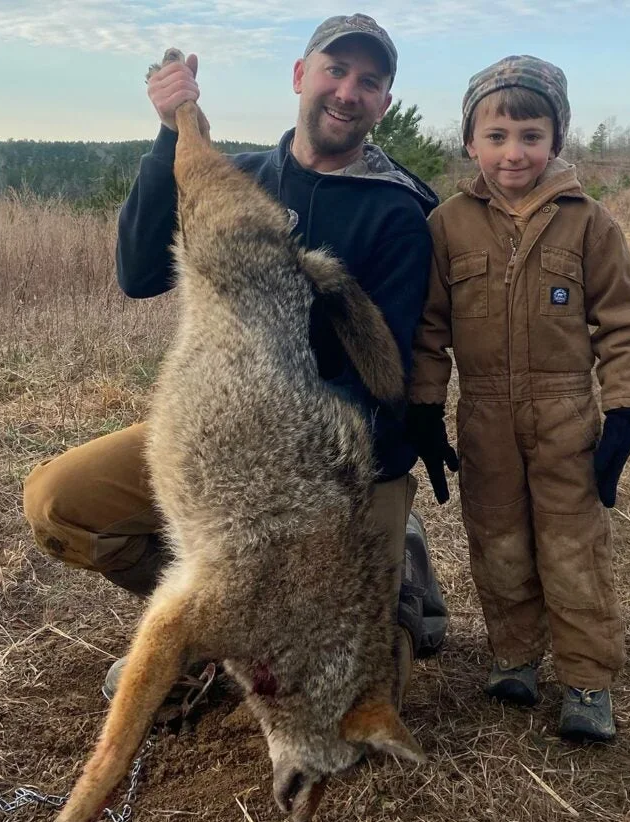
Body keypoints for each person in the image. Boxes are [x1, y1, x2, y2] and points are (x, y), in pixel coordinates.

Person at [23, 14, 448, 708]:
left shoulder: (399, 213)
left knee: (336, 713)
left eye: (369, 82)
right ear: (299, 77)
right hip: (220, 436)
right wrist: (170, 134)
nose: (348, 91)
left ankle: (396, 589)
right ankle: (213, 629)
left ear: (384, 105)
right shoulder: (236, 177)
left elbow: (384, 384)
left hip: (337, 460)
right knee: (59, 505)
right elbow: (137, 273)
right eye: (335, 70)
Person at [405, 55, 630, 742]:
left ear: (557, 138)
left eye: (531, 135)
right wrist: (426, 408)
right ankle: (514, 655)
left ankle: (587, 681)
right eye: (497, 135)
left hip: (565, 416)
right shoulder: (448, 225)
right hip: (484, 415)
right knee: (499, 540)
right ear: (470, 141)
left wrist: (625, 412)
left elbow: (624, 325)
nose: (513, 152)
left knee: (573, 549)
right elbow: (428, 328)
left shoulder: (590, 224)